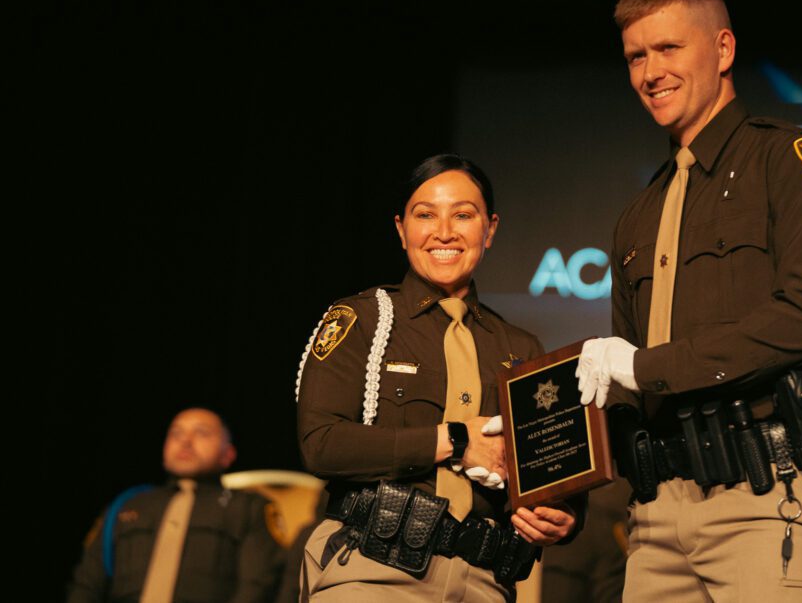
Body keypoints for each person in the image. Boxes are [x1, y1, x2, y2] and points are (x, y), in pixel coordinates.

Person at [575, 0, 802, 601]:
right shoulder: (637, 215)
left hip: (770, 500)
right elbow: (626, 387)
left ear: (724, 49)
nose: (651, 72)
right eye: (636, 57)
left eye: (669, 48)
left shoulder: (792, 164)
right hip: (655, 524)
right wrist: (543, 460)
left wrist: (650, 367)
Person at [296, 154, 577, 602]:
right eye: (425, 215)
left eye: (463, 215)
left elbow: (552, 470)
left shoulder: (522, 347)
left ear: (490, 229)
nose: (444, 232)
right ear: (401, 228)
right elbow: (322, 444)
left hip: (484, 582)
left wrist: (562, 516)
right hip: (372, 571)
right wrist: (456, 440)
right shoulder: (361, 319)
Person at [68, 407, 285, 603]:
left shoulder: (248, 508)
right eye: (176, 433)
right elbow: (87, 585)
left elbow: (257, 587)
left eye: (202, 433)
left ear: (228, 454)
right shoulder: (126, 505)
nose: (185, 441)